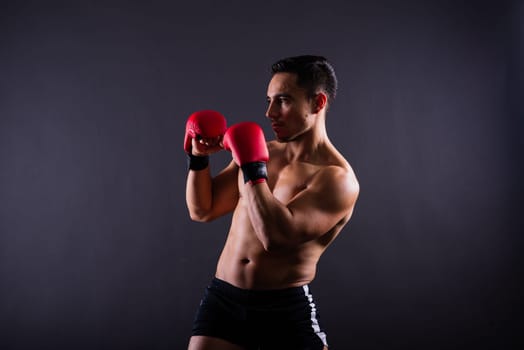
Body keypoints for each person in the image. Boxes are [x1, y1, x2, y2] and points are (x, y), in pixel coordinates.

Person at [184, 55, 359, 350]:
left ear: (317, 103)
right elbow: (203, 209)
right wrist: (198, 159)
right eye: (268, 100)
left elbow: (275, 238)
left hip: (283, 311)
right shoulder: (262, 150)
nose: (269, 113)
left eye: (283, 100)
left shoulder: (336, 179)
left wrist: (252, 168)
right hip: (223, 299)